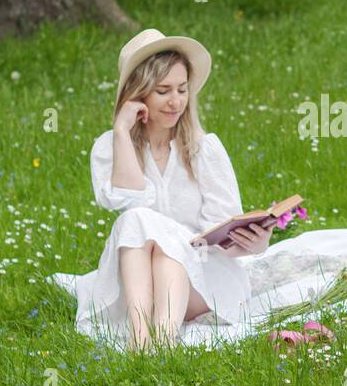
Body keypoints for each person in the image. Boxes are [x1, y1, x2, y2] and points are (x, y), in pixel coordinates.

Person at [58, 29, 269, 350]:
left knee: (165, 243)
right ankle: (147, 339)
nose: (176, 101)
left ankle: (150, 342)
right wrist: (121, 131)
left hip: (204, 279)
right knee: (137, 222)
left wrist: (256, 244)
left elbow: (224, 231)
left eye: (182, 90)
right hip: (142, 279)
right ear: (138, 94)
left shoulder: (204, 149)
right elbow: (125, 199)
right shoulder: (110, 146)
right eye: (163, 91)